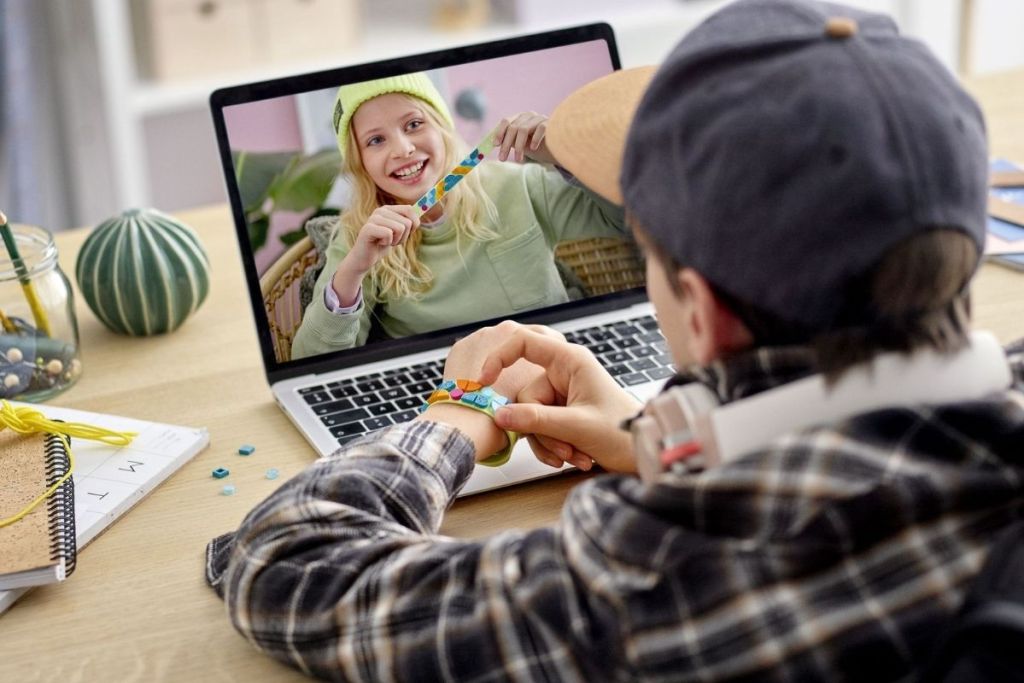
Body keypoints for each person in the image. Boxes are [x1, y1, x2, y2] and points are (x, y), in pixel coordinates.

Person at [206, 1, 1024, 680]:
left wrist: (462, 409)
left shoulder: (649, 569)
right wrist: (649, 438)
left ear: (696, 310)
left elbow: (289, 561)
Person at [290, 72, 627, 358]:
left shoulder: (518, 186)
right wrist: (353, 270)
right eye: (376, 140)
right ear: (360, 163)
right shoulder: (359, 237)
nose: (403, 149)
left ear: (443, 128)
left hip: (550, 367)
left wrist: (564, 154)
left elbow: (632, 219)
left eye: (414, 124)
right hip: (442, 397)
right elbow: (312, 363)